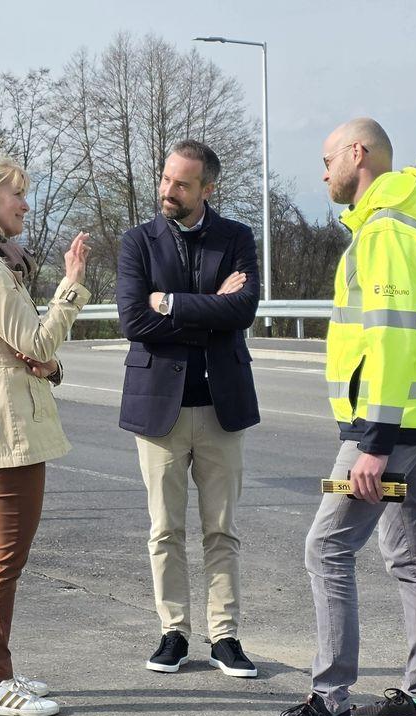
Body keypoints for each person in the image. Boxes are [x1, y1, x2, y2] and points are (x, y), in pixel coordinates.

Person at [279, 118, 416, 716]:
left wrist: (374, 442)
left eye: (328, 158)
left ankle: (329, 699)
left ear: (358, 154)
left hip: (390, 426)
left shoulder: (386, 231)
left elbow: (390, 338)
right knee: (409, 551)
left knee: (327, 549)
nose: (323, 171)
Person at [0, 155, 91, 716]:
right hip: (3, 418)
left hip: (6, 411)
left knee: (6, 552)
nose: (24, 205)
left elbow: (28, 352)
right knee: (5, 554)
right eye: (16, 195)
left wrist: (42, 363)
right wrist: (71, 287)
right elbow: (36, 343)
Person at [115, 140, 261, 680]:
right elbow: (133, 320)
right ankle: (174, 632)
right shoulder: (138, 241)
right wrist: (210, 310)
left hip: (221, 407)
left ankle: (225, 637)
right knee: (164, 530)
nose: (167, 190)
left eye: (181, 183)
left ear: (206, 188)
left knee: (222, 531)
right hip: (159, 409)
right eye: (165, 179)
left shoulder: (237, 237)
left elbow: (242, 310)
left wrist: (170, 302)